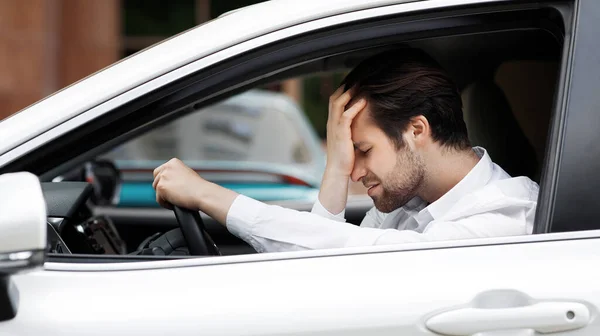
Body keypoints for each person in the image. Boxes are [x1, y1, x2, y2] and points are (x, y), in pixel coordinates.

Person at [152, 48, 539, 253]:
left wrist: (206, 194)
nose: (356, 171)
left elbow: (347, 250)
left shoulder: (505, 216)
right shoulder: (410, 202)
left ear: (416, 130)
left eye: (364, 150)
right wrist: (336, 166)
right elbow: (326, 267)